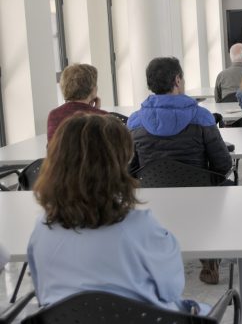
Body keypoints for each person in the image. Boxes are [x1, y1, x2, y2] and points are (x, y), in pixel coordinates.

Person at [28, 114, 205, 314]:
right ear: (118, 164)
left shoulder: (42, 229)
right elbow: (172, 288)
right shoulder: (140, 228)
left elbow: (43, 293)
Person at [127, 57, 232, 285]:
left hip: (153, 198)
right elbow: (223, 165)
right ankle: (209, 257)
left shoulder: (134, 122)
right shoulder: (202, 116)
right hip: (199, 197)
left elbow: (130, 168)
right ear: (177, 80)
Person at [47, 63, 108, 141]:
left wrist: (95, 111)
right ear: (92, 89)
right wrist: (97, 111)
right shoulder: (105, 118)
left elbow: (51, 149)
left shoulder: (54, 115)